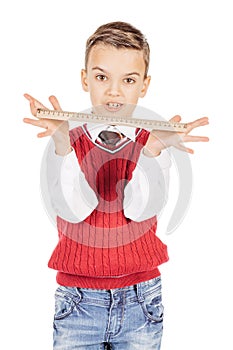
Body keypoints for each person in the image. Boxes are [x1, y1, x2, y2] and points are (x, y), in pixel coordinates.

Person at [23, 21, 209, 350]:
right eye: (101, 77)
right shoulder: (65, 140)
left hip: (142, 301)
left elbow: (142, 210)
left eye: (129, 80)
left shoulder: (152, 143)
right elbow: (72, 210)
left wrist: (151, 152)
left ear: (145, 85)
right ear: (85, 79)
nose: (114, 91)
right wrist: (63, 142)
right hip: (78, 302)